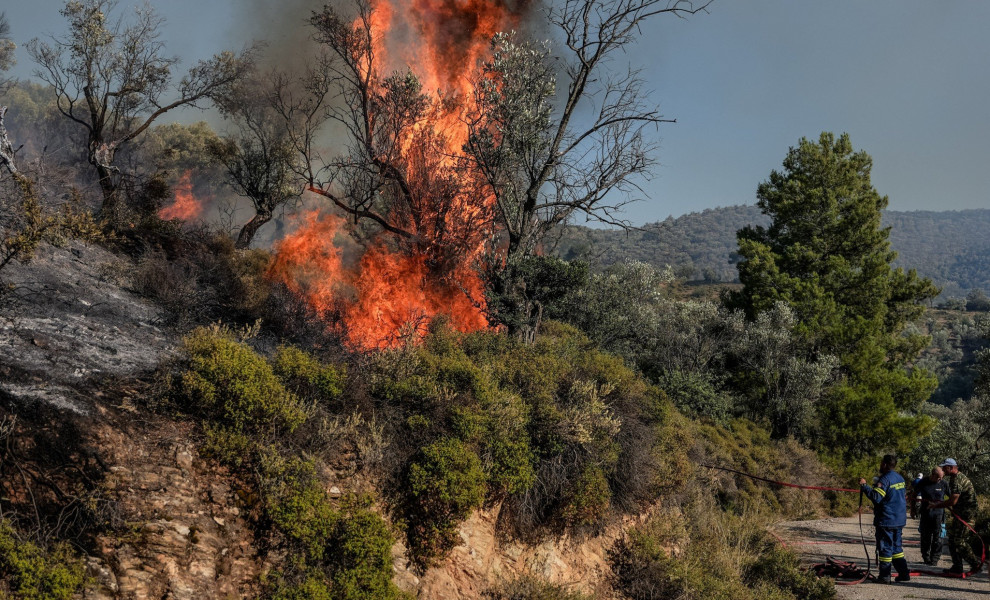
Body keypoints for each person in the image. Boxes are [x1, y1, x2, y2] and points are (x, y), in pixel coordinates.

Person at [860, 454, 911, 583]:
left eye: (881, 463)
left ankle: (884, 576)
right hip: (899, 519)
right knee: (897, 548)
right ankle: (904, 573)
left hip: (887, 520)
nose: (880, 465)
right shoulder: (900, 478)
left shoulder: (885, 479)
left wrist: (865, 486)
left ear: (885, 464)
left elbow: (876, 497)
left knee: (885, 547)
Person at [928, 458, 981, 574]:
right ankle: (957, 566)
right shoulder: (955, 478)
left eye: (944, 468)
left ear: (951, 467)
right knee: (951, 540)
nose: (943, 470)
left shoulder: (956, 480)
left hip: (967, 516)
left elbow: (953, 501)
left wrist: (936, 505)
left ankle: (975, 564)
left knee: (959, 541)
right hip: (960, 514)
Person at [915, 467, 949, 566]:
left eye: (942, 477)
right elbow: (914, 494)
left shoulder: (944, 484)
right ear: (933, 475)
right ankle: (926, 557)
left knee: (938, 537)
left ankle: (935, 558)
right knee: (925, 536)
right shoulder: (923, 482)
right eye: (938, 478)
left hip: (939, 515)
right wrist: (913, 510)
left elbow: (952, 497)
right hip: (926, 514)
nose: (940, 479)